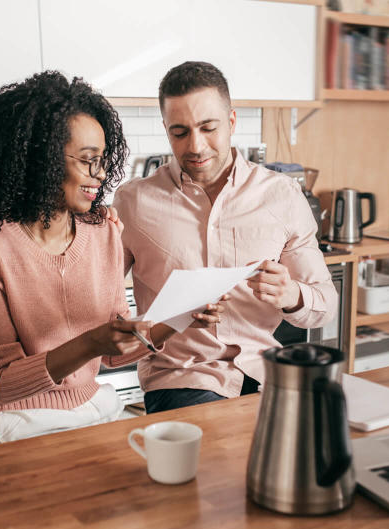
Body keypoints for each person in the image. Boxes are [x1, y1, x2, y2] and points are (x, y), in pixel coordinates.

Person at [0, 71, 224, 445]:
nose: (101, 174)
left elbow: (111, 353)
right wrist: (91, 344)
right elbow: (0, 383)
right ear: (38, 158)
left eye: (104, 160)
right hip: (10, 422)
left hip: (89, 411)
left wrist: (179, 320)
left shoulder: (103, 232)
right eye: (89, 160)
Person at [112, 61, 338, 414]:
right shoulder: (134, 202)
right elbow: (103, 309)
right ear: (166, 130)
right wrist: (167, 321)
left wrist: (292, 295)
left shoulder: (281, 195)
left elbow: (326, 304)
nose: (196, 146)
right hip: (183, 376)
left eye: (208, 127)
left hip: (266, 371)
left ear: (232, 122)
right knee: (218, 460)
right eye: (180, 132)